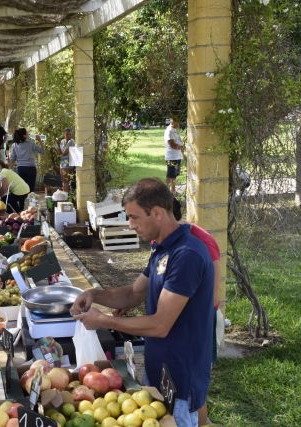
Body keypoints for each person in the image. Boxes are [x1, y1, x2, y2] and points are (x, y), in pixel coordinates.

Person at [70, 178, 214, 427]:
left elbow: (160, 325)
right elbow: (134, 293)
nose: (130, 224)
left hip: (181, 377)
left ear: (157, 213)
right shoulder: (163, 249)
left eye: (134, 217)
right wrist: (94, 294)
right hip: (159, 367)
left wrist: (104, 320)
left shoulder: (186, 255)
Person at [172, 199, 221, 426]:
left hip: (200, 322)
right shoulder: (164, 240)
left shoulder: (199, 243)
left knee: (195, 387)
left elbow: (212, 293)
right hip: (180, 325)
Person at [9, 128, 45, 193]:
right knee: (31, 190)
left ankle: (22, 203)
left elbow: (12, 159)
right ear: (24, 135)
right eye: (27, 133)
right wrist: (39, 140)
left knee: (22, 189)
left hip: (20, 169)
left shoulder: (14, 145)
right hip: (31, 169)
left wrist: (10, 169)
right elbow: (42, 151)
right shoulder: (31, 144)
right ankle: (30, 202)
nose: (28, 134)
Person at [164, 118, 184, 194]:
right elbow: (172, 144)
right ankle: (165, 192)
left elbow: (178, 142)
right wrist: (181, 147)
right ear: (172, 122)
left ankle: (173, 190)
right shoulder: (169, 131)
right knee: (170, 175)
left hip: (177, 156)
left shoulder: (174, 130)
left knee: (174, 175)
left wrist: (181, 147)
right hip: (172, 156)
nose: (179, 124)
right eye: (177, 122)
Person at [59, 127, 75, 193]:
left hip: (68, 164)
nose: (68, 136)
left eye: (69, 134)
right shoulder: (62, 141)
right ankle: (65, 195)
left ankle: (66, 196)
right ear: (64, 134)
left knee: (66, 180)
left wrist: (62, 152)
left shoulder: (71, 141)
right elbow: (61, 152)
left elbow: (64, 152)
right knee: (63, 180)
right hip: (63, 163)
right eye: (67, 134)